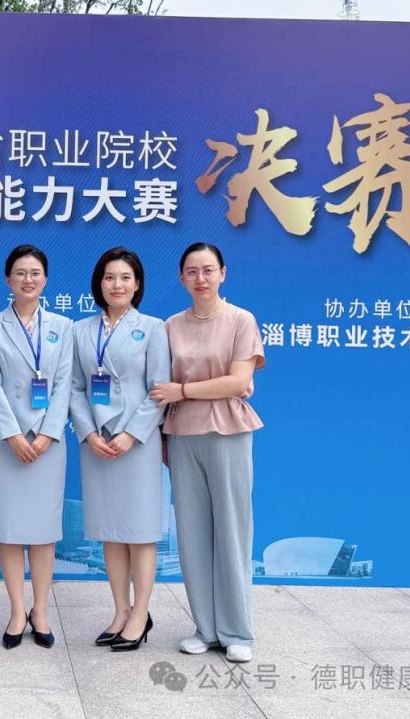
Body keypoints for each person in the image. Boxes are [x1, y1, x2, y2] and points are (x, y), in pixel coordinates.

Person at [149, 242, 265, 664]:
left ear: (222, 273)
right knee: (192, 533)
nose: (201, 279)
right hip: (182, 434)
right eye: (192, 272)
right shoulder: (170, 326)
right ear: (181, 278)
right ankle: (206, 628)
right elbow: (157, 384)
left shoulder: (240, 320)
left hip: (228, 430)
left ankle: (236, 631)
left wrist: (183, 390)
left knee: (232, 529)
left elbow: (238, 382)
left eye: (208, 270)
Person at [69, 247, 170, 652]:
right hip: (98, 442)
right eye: (109, 277)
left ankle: (141, 613)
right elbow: (74, 388)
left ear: (137, 284)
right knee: (110, 531)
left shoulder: (154, 328)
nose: (117, 285)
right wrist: (89, 433)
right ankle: (120, 611)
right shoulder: (81, 330)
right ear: (99, 283)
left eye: (125, 277)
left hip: (136, 443)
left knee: (139, 532)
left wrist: (130, 434)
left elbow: (159, 390)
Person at [0, 244, 73, 650]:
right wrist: (13, 434)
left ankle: (41, 610)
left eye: (35, 273)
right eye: (20, 273)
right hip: (6, 441)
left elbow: (65, 383)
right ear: (8, 279)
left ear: (45, 279)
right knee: (10, 529)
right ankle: (18, 610)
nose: (28, 279)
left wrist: (48, 433)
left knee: (44, 531)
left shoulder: (64, 326)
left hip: (48, 442)